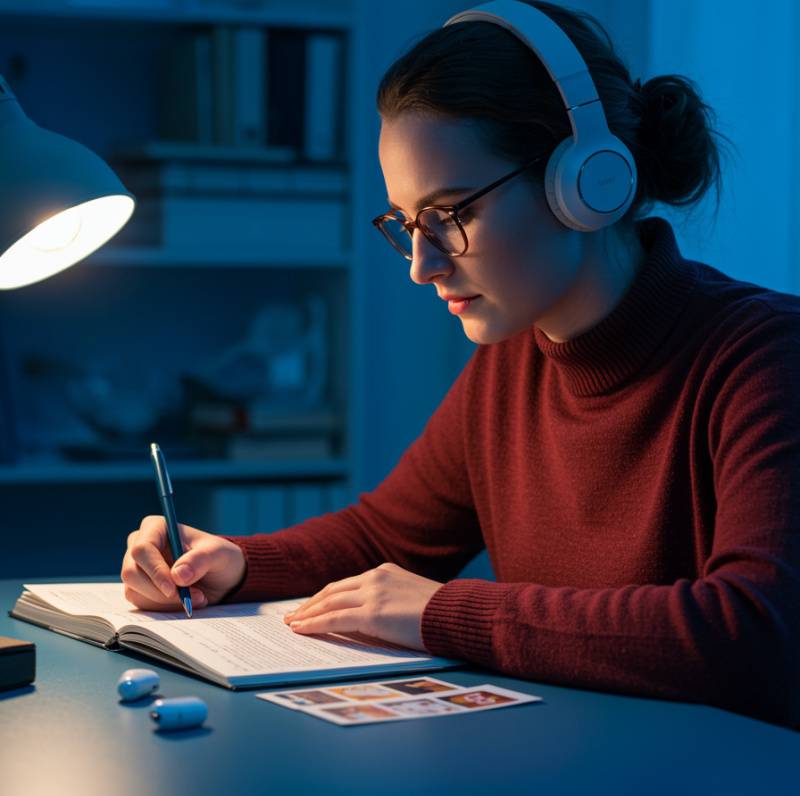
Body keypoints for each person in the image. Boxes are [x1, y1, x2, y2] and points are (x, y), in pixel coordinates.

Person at [120, 0, 800, 729]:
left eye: (452, 214)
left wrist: (448, 614)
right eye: (407, 223)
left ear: (585, 182)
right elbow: (384, 539)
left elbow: (753, 632)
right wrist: (233, 564)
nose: (422, 265)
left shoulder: (764, 357)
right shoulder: (513, 359)